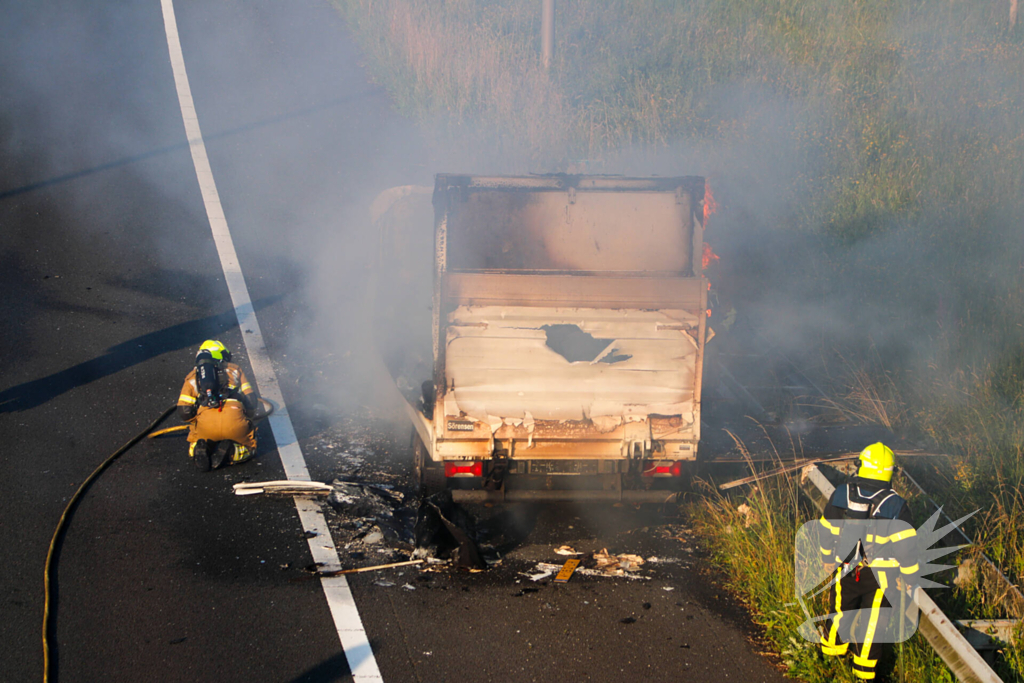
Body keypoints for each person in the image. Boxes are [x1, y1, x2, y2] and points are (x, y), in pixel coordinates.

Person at [817, 442, 919, 681]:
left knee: (839, 612)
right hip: (882, 577)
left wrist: (827, 558)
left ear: (861, 465)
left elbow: (826, 529)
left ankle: (828, 663)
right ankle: (863, 675)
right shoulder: (897, 505)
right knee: (873, 624)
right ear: (890, 471)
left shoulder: (843, 493)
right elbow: (906, 549)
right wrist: (910, 577)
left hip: (846, 568)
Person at [177, 340, 258, 471]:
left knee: (197, 438)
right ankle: (233, 452)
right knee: (249, 446)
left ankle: (198, 448)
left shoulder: (192, 376)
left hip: (206, 423)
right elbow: (251, 401)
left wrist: (197, 421)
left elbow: (184, 411)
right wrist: (247, 418)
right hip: (234, 419)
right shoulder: (235, 369)